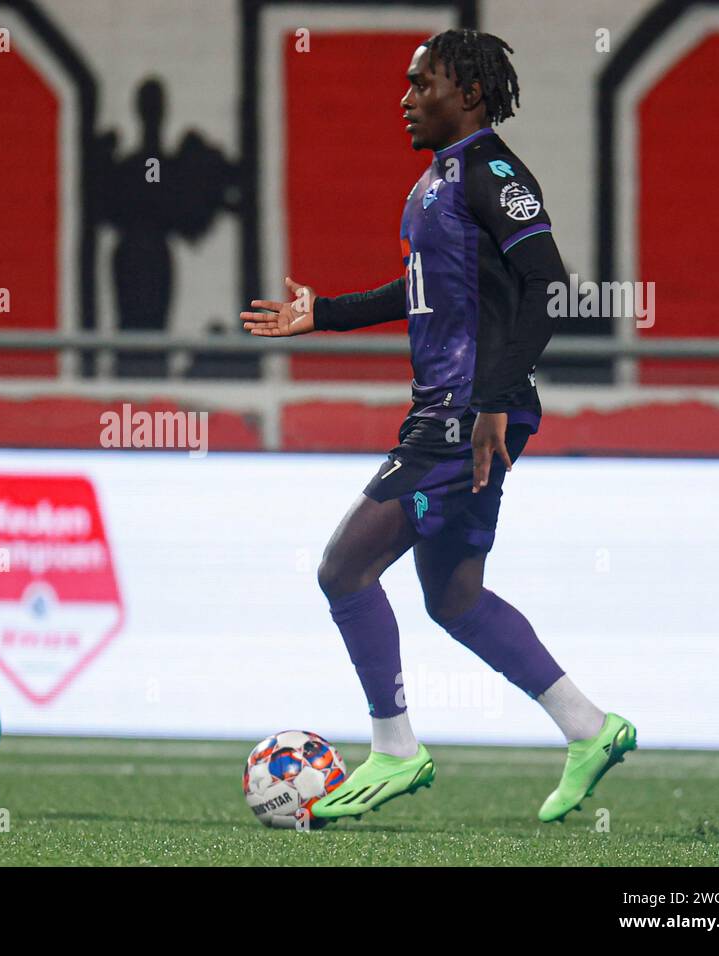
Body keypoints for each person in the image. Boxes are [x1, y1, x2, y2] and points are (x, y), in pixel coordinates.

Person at [241, 29, 635, 823]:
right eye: (408, 84)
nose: (407, 97)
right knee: (454, 598)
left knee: (344, 568)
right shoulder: (435, 185)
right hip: (457, 407)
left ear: (472, 96)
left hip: (464, 414)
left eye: (424, 85)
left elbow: (547, 281)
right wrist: (327, 314)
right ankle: (591, 728)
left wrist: (491, 398)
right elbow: (420, 289)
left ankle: (394, 749)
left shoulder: (491, 170)